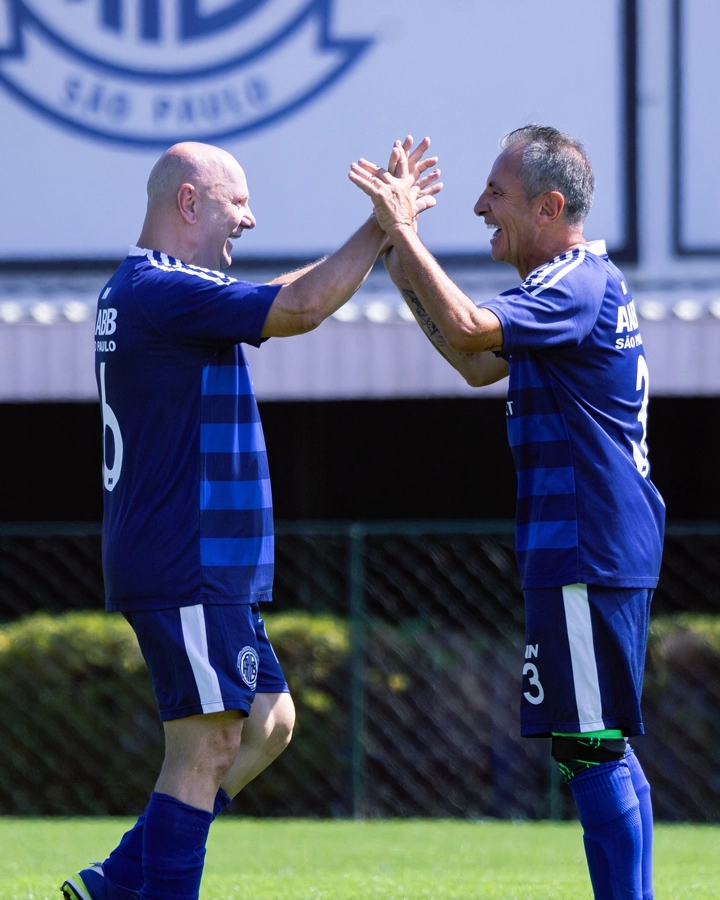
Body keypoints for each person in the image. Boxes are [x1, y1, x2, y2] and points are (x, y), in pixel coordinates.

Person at [62, 138, 440, 900]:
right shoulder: (157, 287)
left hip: (198, 562)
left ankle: (120, 880)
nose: (251, 218)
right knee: (205, 747)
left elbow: (284, 291)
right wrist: (385, 225)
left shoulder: (149, 289)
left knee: (268, 721)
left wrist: (383, 226)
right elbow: (297, 306)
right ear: (190, 202)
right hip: (185, 558)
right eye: (238, 202)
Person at [349, 125, 665, 900]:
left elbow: (466, 329)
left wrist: (403, 230)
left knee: (588, 748)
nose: (483, 205)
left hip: (587, 546)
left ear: (551, 205)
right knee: (600, 745)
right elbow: (473, 362)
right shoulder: (561, 290)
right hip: (586, 548)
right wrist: (399, 257)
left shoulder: (576, 280)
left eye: (498, 192)